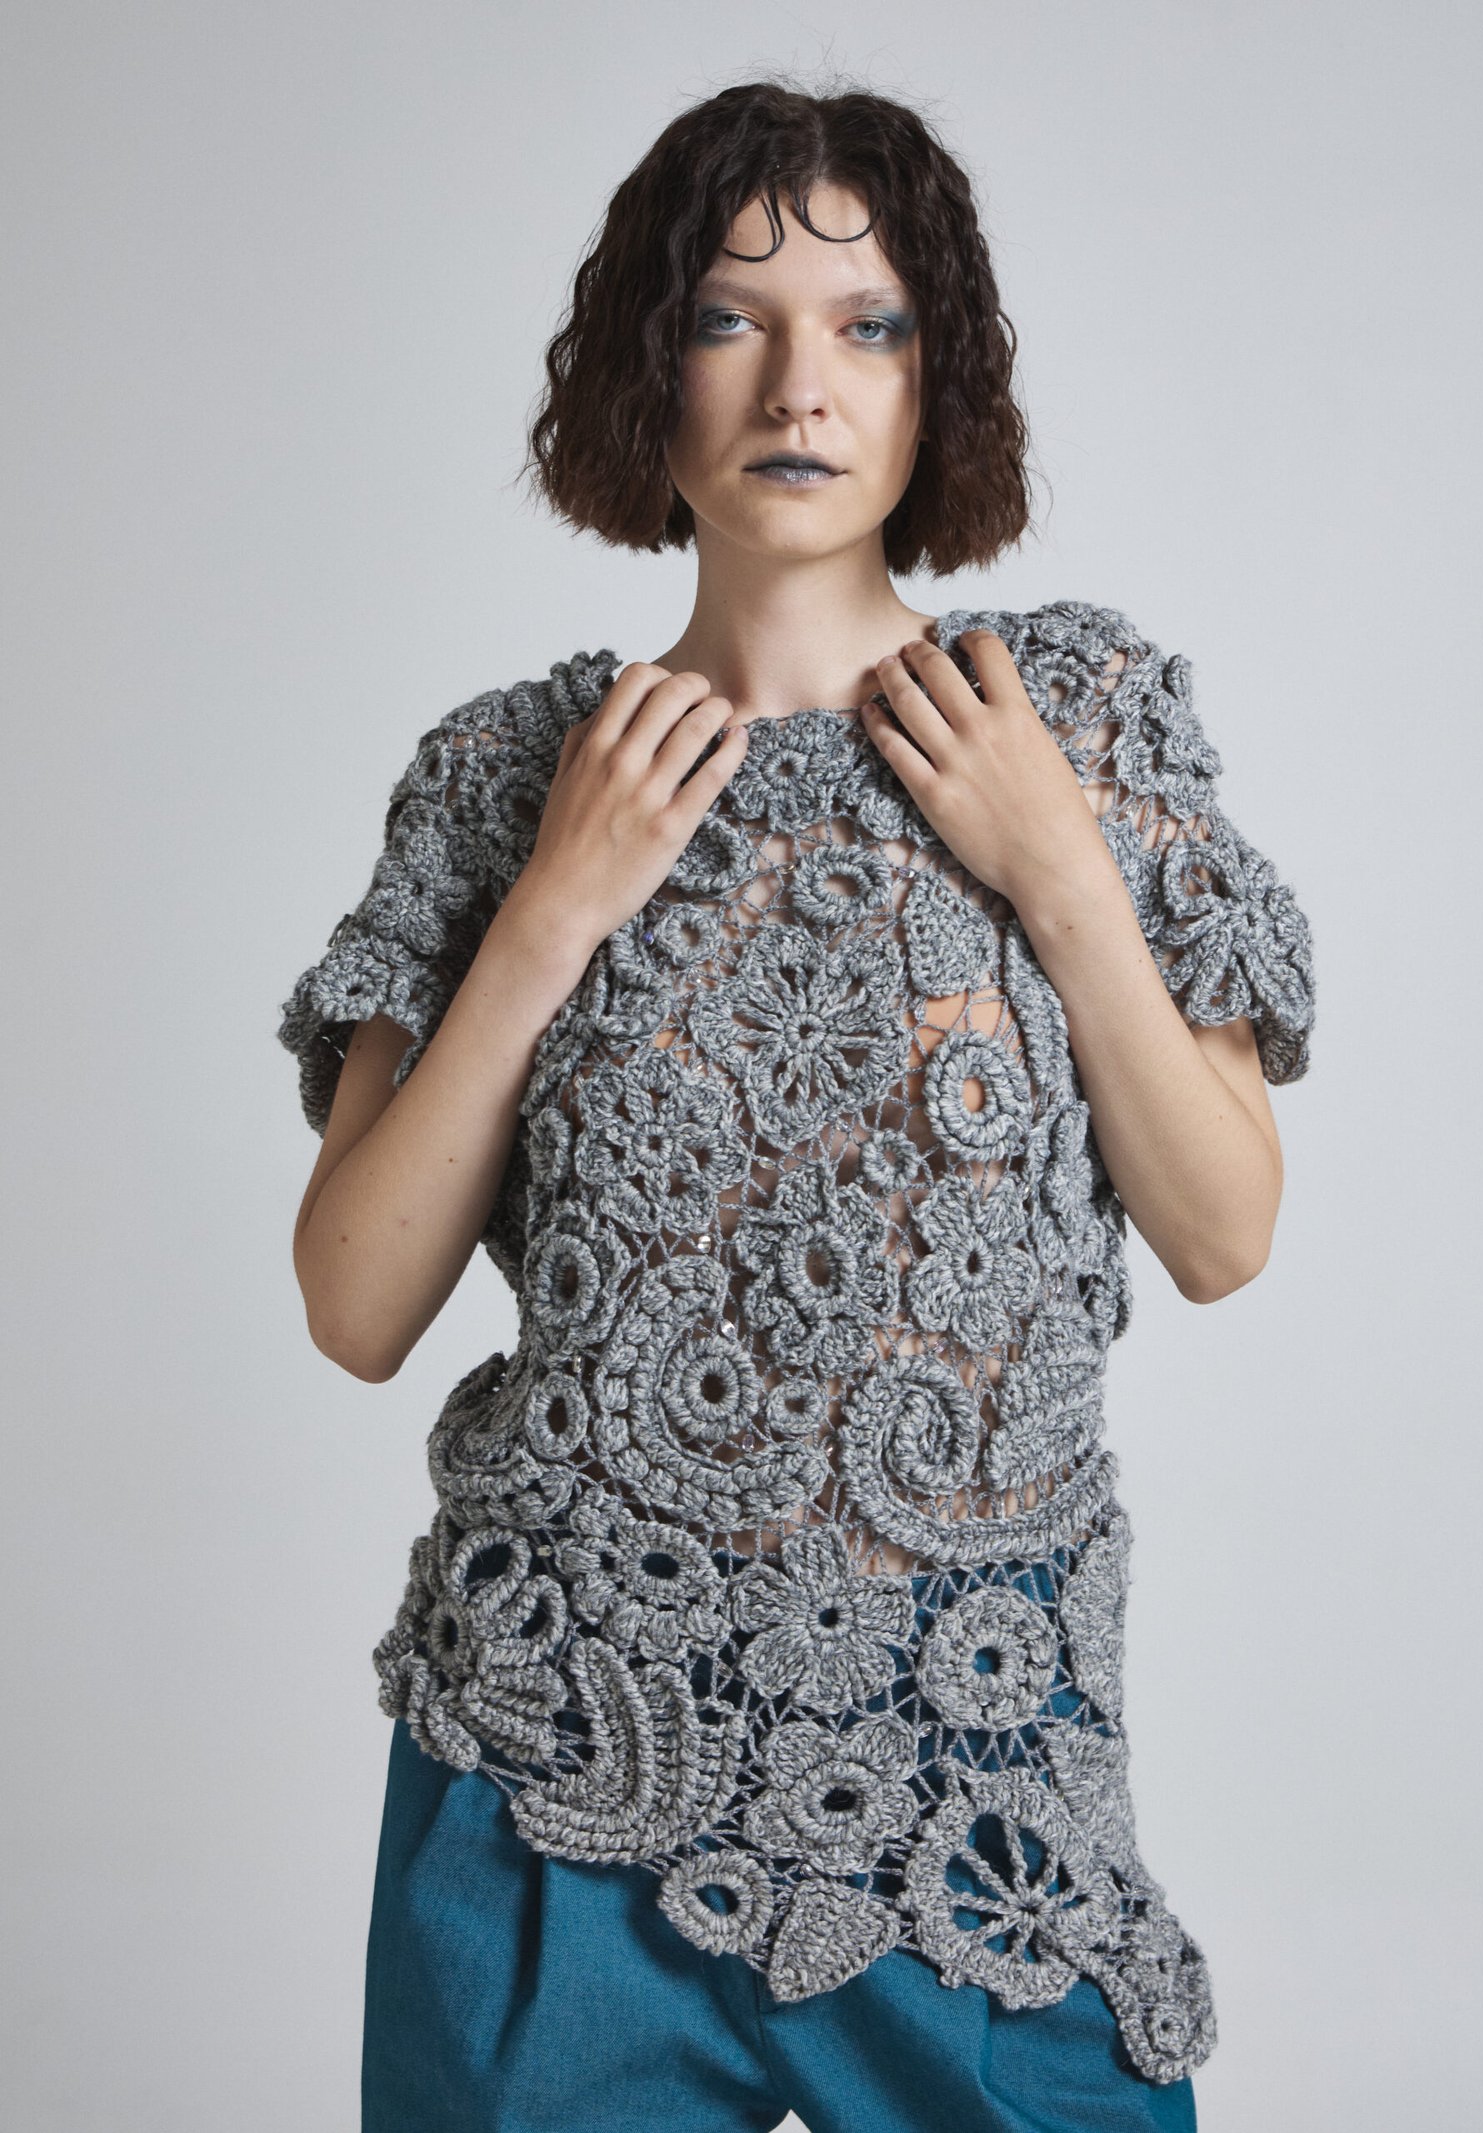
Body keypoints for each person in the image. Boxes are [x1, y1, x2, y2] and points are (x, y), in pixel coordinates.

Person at [278, 76, 1315, 2133]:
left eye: (868, 323)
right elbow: (355, 1300)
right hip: (558, 1756)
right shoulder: (501, 775)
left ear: (940, 378)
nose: (797, 385)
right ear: (644, 370)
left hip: (973, 1777)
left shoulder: (1081, 723)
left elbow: (1220, 1232)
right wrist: (552, 908)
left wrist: (1058, 872)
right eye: (726, 319)